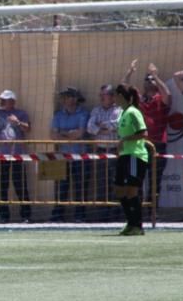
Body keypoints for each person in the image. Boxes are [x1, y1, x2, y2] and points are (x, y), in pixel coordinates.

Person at [121, 60, 170, 206]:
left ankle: (152, 211)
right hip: (139, 145)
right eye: (146, 79)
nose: (149, 82)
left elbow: (167, 94)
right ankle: (139, 209)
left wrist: (156, 76)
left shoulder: (160, 99)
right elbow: (123, 87)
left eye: (151, 80)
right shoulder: (139, 99)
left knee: (155, 181)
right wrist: (130, 72)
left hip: (157, 145)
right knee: (137, 179)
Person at [0, 90, 32, 223]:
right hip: (1, 155)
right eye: (1, 100)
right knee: (3, 186)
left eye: (5, 100)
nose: (2, 102)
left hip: (16, 155)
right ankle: (4, 215)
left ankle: (26, 214)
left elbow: (28, 128)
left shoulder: (21, 113)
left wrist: (18, 122)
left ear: (12, 101)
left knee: (20, 184)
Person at [50, 87, 90, 222]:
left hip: (80, 155)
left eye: (73, 96)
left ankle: (80, 215)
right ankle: (58, 215)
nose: (71, 100)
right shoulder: (58, 115)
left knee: (80, 187)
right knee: (62, 187)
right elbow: (53, 135)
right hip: (63, 156)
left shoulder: (83, 113)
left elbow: (80, 133)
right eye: (68, 97)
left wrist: (63, 133)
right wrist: (69, 134)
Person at [114, 84, 149, 236]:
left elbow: (143, 133)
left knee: (131, 190)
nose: (114, 98)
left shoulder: (134, 112)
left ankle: (137, 226)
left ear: (121, 96)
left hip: (135, 155)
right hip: (125, 155)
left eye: (115, 95)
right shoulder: (124, 112)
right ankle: (130, 223)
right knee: (119, 189)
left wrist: (125, 139)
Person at [87, 84, 121, 219]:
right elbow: (90, 127)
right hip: (100, 150)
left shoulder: (119, 110)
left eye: (104, 95)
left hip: (115, 150)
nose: (101, 97)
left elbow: (117, 125)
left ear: (112, 96)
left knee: (115, 181)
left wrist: (101, 126)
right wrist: (105, 128)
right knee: (101, 182)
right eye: (100, 95)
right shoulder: (96, 110)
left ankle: (115, 214)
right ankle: (102, 214)